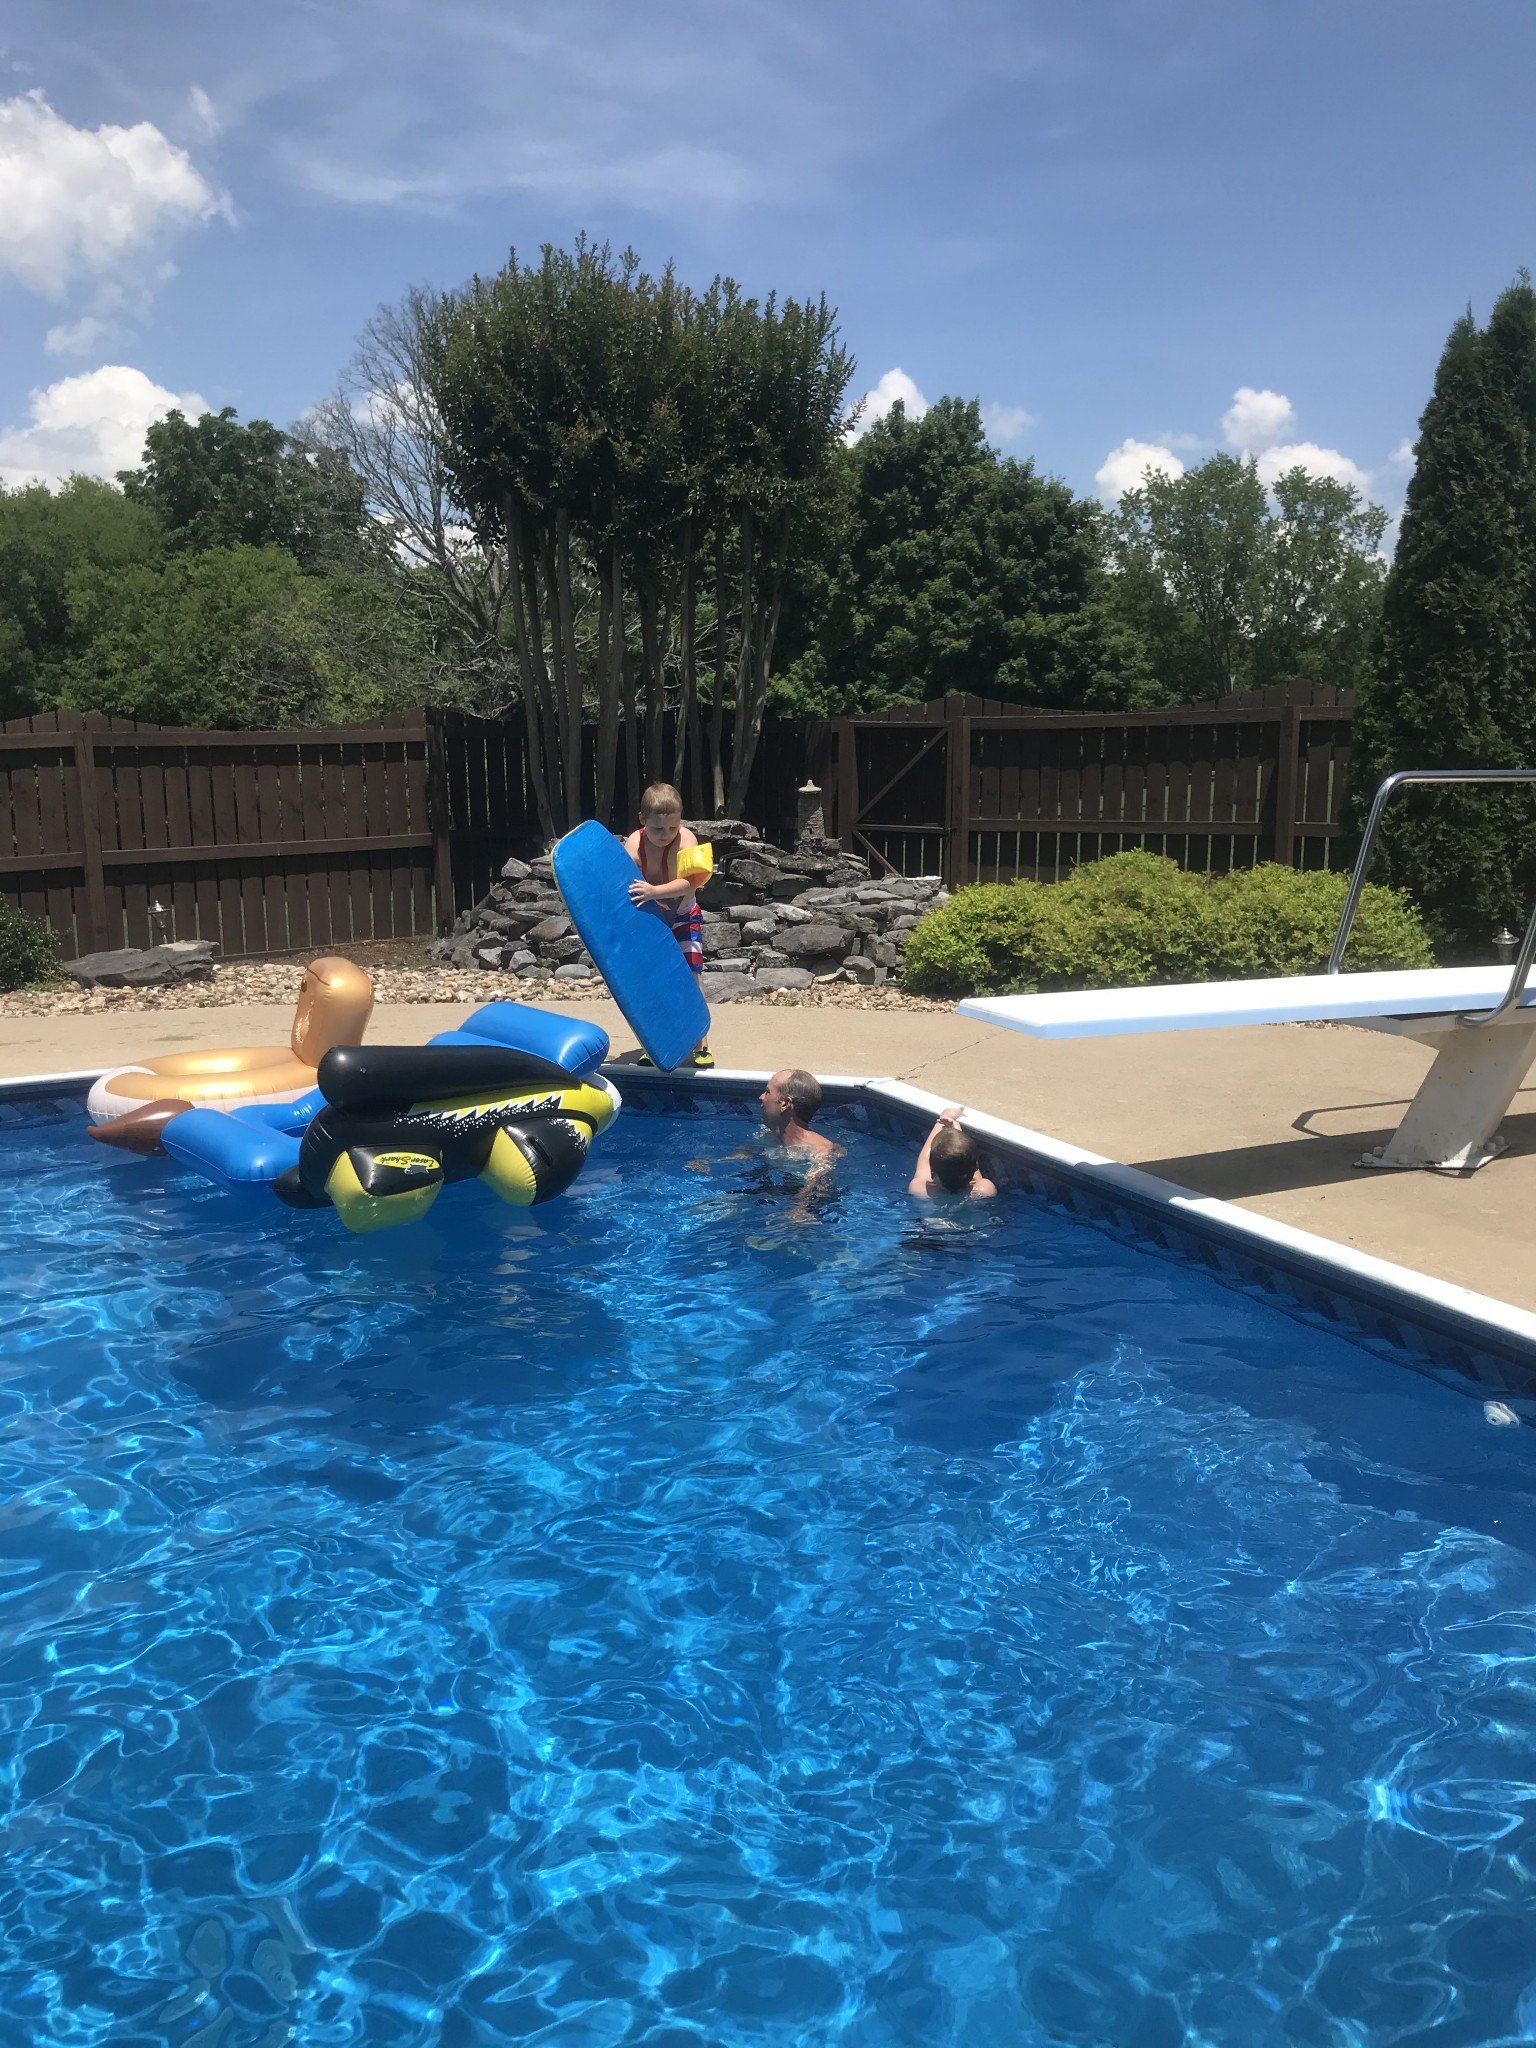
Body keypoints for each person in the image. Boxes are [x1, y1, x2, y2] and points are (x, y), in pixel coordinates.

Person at [622, 781, 713, 1068]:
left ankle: (700, 1043)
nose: (665, 835)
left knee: (691, 975)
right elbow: (621, 887)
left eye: (672, 828)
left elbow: (691, 881)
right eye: (657, 828)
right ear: (642, 820)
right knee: (651, 982)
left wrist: (653, 891)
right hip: (650, 920)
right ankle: (654, 1044)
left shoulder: (687, 840)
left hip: (684, 915)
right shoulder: (633, 846)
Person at [908, 1105, 997, 1202]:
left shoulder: (920, 1190)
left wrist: (942, 1121)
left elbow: (924, 1162)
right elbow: (968, 1162)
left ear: (932, 1171)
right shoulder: (985, 1190)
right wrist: (956, 1130)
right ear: (976, 1166)